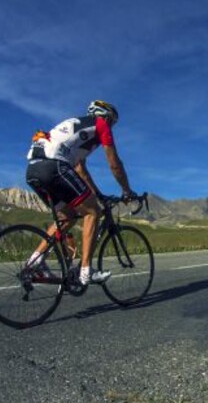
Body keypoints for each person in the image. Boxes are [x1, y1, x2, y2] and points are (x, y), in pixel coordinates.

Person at [25, 100, 136, 285]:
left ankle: (35, 261)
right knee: (93, 212)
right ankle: (86, 271)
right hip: (54, 166)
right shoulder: (101, 125)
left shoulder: (76, 127)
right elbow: (114, 164)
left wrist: (98, 194)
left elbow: (81, 171)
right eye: (112, 122)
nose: (112, 127)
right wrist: (126, 190)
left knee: (66, 217)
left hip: (34, 171)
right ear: (106, 117)